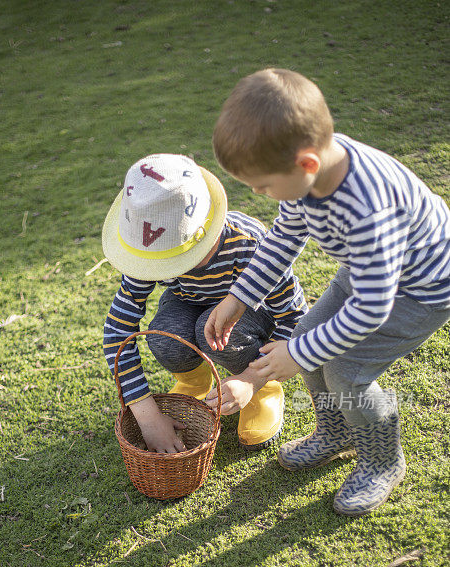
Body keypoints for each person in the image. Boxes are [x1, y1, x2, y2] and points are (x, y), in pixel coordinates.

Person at [204, 68, 450, 516]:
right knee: (312, 337)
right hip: (369, 274)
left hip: (420, 290)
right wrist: (239, 296)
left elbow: (373, 306)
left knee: (345, 370)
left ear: (307, 164)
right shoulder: (306, 175)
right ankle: (335, 433)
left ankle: (381, 460)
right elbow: (283, 238)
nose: (260, 194)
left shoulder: (368, 209)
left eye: (262, 185)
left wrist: (298, 354)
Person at [102, 152, 307, 453]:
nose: (171, 271)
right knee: (165, 335)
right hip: (189, 303)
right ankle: (194, 382)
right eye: (166, 266)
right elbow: (117, 332)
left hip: (250, 314)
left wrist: (251, 380)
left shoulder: (249, 246)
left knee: (214, 336)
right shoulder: (146, 252)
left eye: (180, 260)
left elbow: (296, 317)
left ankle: (265, 392)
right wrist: (146, 416)